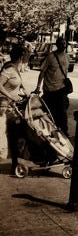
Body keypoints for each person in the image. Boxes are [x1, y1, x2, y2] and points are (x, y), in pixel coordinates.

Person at [0, 45, 28, 174]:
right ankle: (14, 162)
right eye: (26, 54)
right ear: (21, 56)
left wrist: (25, 92)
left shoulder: (15, 68)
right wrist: (10, 96)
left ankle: (14, 163)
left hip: (13, 106)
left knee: (14, 134)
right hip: (4, 106)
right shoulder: (9, 68)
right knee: (7, 135)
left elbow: (17, 84)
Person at [35, 37, 70, 136]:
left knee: (62, 111)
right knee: (48, 110)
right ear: (57, 45)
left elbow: (65, 72)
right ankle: (50, 129)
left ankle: (64, 130)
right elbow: (42, 72)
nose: (63, 45)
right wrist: (38, 87)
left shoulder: (67, 57)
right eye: (61, 44)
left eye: (64, 43)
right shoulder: (51, 57)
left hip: (61, 88)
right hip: (50, 89)